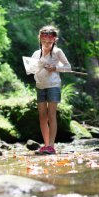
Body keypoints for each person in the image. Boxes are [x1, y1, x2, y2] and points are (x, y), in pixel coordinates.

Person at [31, 25, 71, 154]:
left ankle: (52, 146)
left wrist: (55, 68)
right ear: (40, 39)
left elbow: (68, 67)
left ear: (54, 40)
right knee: (42, 116)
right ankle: (46, 144)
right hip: (40, 86)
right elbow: (32, 69)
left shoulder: (57, 52)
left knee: (51, 114)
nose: (46, 44)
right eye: (44, 42)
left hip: (53, 85)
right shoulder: (36, 54)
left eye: (49, 42)